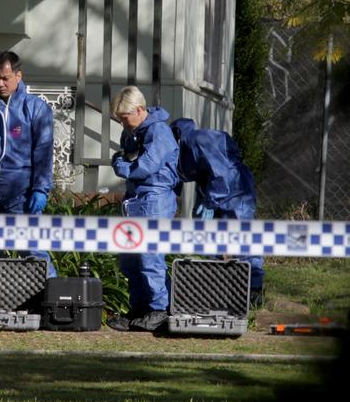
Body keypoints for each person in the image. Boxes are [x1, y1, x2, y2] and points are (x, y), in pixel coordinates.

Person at [0, 51, 57, 277]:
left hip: (21, 194)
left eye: (6, 78)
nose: (0, 83)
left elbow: (43, 153)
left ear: (18, 76)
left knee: (33, 251)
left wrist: (40, 189)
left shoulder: (36, 109)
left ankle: (53, 303)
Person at [169, 118, 265, 306]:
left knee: (244, 239)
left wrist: (211, 201)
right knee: (208, 240)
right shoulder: (187, 148)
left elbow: (221, 173)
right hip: (212, 190)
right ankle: (215, 288)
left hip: (236, 190)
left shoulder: (198, 140)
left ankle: (254, 292)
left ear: (177, 136)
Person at [107, 86, 179, 332]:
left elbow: (144, 166)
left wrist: (122, 166)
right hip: (134, 198)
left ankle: (159, 309)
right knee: (129, 259)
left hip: (155, 199)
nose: (122, 123)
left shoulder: (159, 132)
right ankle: (138, 309)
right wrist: (121, 162)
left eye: (124, 118)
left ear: (139, 110)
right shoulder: (132, 131)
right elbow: (122, 156)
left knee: (150, 256)